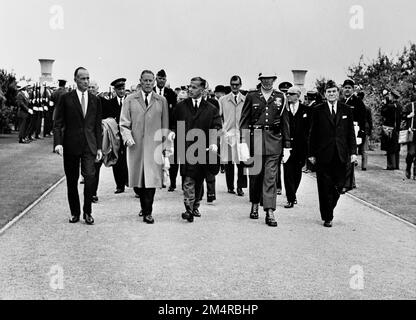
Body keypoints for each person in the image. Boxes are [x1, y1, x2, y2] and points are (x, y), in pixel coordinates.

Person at [240, 72, 291, 227]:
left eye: (270, 79)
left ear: (274, 80)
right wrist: (243, 142)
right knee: (255, 176)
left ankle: (269, 210)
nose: (267, 81)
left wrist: (287, 145)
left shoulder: (281, 97)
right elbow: (244, 120)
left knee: (270, 176)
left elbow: (285, 122)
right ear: (260, 80)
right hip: (255, 139)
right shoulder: (252, 96)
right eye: (264, 79)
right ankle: (255, 203)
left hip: (274, 140)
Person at [53, 67, 103, 225]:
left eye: (88, 78)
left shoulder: (95, 100)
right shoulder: (66, 98)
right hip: (71, 145)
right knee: (72, 180)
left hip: (89, 145)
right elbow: (58, 122)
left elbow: (97, 126)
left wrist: (100, 147)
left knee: (89, 178)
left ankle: (87, 211)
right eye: (83, 78)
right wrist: (58, 143)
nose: (86, 82)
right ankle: (75, 212)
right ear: (75, 80)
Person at [119, 70, 169, 224]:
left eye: (150, 81)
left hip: (154, 146)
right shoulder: (130, 99)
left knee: (152, 180)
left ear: (154, 82)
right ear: (140, 81)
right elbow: (124, 123)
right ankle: (144, 204)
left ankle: (148, 211)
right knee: (138, 181)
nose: (148, 84)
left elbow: (165, 125)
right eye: (145, 81)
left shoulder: (161, 100)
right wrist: (127, 138)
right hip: (136, 146)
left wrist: (165, 147)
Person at [172, 77, 222, 222]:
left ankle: (195, 206)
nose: (190, 90)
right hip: (186, 147)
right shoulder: (181, 107)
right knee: (188, 178)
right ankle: (188, 208)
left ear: (202, 90)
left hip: (203, 149)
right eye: (189, 86)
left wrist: (213, 142)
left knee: (199, 179)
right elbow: (174, 123)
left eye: (194, 87)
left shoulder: (211, 109)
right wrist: (173, 132)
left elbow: (216, 126)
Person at [308, 80, 357, 228]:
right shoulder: (318, 110)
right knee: (324, 186)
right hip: (323, 154)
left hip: (341, 154)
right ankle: (327, 215)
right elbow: (313, 133)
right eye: (328, 92)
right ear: (324, 94)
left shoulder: (346, 109)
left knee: (339, 185)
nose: (331, 94)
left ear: (338, 92)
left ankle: (330, 206)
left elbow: (350, 134)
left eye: (334, 91)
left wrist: (353, 152)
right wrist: (311, 153)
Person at [219, 75, 247, 196]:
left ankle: (240, 186)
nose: (234, 87)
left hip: (241, 134)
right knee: (229, 162)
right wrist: (223, 130)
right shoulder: (223, 100)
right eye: (232, 84)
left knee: (241, 162)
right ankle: (230, 186)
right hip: (228, 134)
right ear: (230, 85)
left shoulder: (245, 100)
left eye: (237, 84)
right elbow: (219, 117)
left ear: (240, 85)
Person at [283, 86, 310, 208]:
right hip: (287, 146)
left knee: (297, 171)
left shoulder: (306, 110)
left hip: (301, 146)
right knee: (287, 171)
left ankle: (293, 193)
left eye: (291, 94)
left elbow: (310, 129)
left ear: (298, 96)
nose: (288, 95)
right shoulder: (284, 110)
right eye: (287, 93)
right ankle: (290, 197)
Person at [153, 69, 178, 191]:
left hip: (167, 129)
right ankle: (157, 180)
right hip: (154, 130)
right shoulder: (151, 92)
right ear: (156, 79)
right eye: (159, 78)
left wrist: (172, 129)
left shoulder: (171, 94)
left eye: (164, 79)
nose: (161, 81)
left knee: (170, 156)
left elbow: (174, 113)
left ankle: (172, 182)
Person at [103, 78, 129, 194]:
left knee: (128, 159)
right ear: (115, 90)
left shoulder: (129, 102)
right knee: (116, 159)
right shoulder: (110, 103)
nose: (122, 91)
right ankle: (119, 185)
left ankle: (130, 181)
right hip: (115, 136)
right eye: (119, 89)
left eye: (123, 89)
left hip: (128, 135)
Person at [340, 79, 366, 192]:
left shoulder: (358, 102)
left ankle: (347, 183)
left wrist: (361, 134)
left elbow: (362, 119)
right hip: (342, 131)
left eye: (349, 88)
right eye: (345, 87)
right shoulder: (340, 101)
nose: (347, 90)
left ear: (353, 89)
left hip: (354, 130)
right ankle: (351, 182)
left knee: (350, 157)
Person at [380, 89, 402, 170]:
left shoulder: (390, 106)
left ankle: (390, 165)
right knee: (396, 148)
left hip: (389, 128)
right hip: (397, 129)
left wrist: (384, 104)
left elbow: (382, 113)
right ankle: (396, 165)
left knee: (390, 148)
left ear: (392, 96)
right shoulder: (399, 106)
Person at [402, 100, 416, 179]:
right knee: (411, 153)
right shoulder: (410, 106)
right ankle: (408, 168)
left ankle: (415, 173)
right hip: (412, 133)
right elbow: (402, 116)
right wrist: (409, 116)